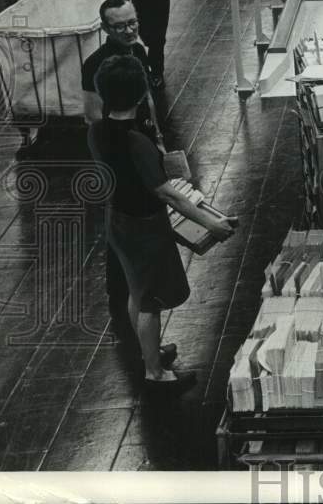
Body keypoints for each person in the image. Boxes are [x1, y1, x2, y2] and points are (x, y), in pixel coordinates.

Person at [88, 54, 236, 392]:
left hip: (118, 220)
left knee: (135, 289)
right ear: (141, 94)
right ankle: (155, 373)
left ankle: (148, 352)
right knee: (151, 301)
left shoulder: (97, 131)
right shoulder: (136, 141)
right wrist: (212, 225)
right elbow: (169, 194)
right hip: (144, 226)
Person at [82, 0, 164, 338]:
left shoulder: (140, 52)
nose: (129, 30)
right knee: (125, 224)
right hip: (121, 153)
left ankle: (139, 289)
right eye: (120, 26)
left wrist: (157, 136)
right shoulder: (95, 65)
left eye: (133, 22)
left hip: (143, 142)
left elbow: (147, 99)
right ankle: (121, 295)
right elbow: (91, 115)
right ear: (105, 28)